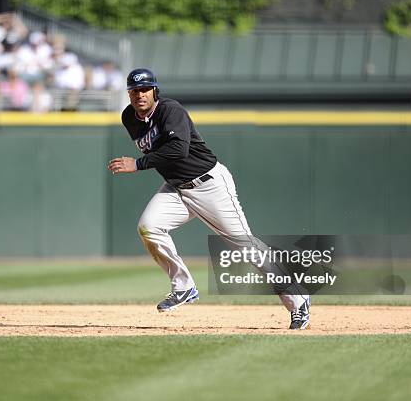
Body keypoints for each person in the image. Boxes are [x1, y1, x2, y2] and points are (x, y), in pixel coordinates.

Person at [108, 68, 311, 330]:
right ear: (128, 94)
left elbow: (178, 149)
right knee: (148, 227)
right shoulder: (129, 117)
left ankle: (298, 298)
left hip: (209, 184)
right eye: (134, 91)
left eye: (145, 89)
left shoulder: (171, 110)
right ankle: (184, 287)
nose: (139, 95)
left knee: (246, 246)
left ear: (155, 91)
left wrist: (138, 164)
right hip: (177, 188)